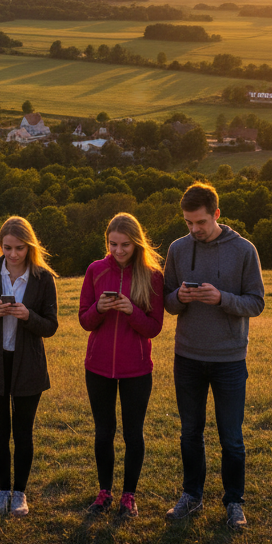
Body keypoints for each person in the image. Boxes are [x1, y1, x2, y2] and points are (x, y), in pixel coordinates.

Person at [163, 181, 265, 529]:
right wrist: (181, 297)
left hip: (229, 360)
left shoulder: (244, 250)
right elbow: (168, 302)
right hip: (187, 356)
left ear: (216, 214)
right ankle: (192, 495)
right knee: (190, 432)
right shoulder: (178, 249)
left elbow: (256, 303)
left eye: (200, 223)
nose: (194, 230)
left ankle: (234, 502)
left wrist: (221, 298)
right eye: (188, 223)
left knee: (231, 436)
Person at [0, 216, 58, 516]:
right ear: (0, 246)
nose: (13, 254)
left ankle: (20, 493)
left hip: (28, 364)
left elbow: (50, 327)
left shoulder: (43, 278)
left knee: (23, 431)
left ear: (29, 246)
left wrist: (27, 315)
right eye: (7, 248)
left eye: (19, 248)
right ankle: (2, 490)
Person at [78, 213, 165, 518]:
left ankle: (129, 495)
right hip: (98, 367)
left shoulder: (153, 276)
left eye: (125, 244)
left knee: (133, 434)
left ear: (136, 242)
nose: (118, 250)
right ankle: (104, 492)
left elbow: (154, 328)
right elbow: (84, 320)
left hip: (136, 370)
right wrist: (99, 308)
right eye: (113, 244)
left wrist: (131, 311)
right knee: (103, 432)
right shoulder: (96, 270)